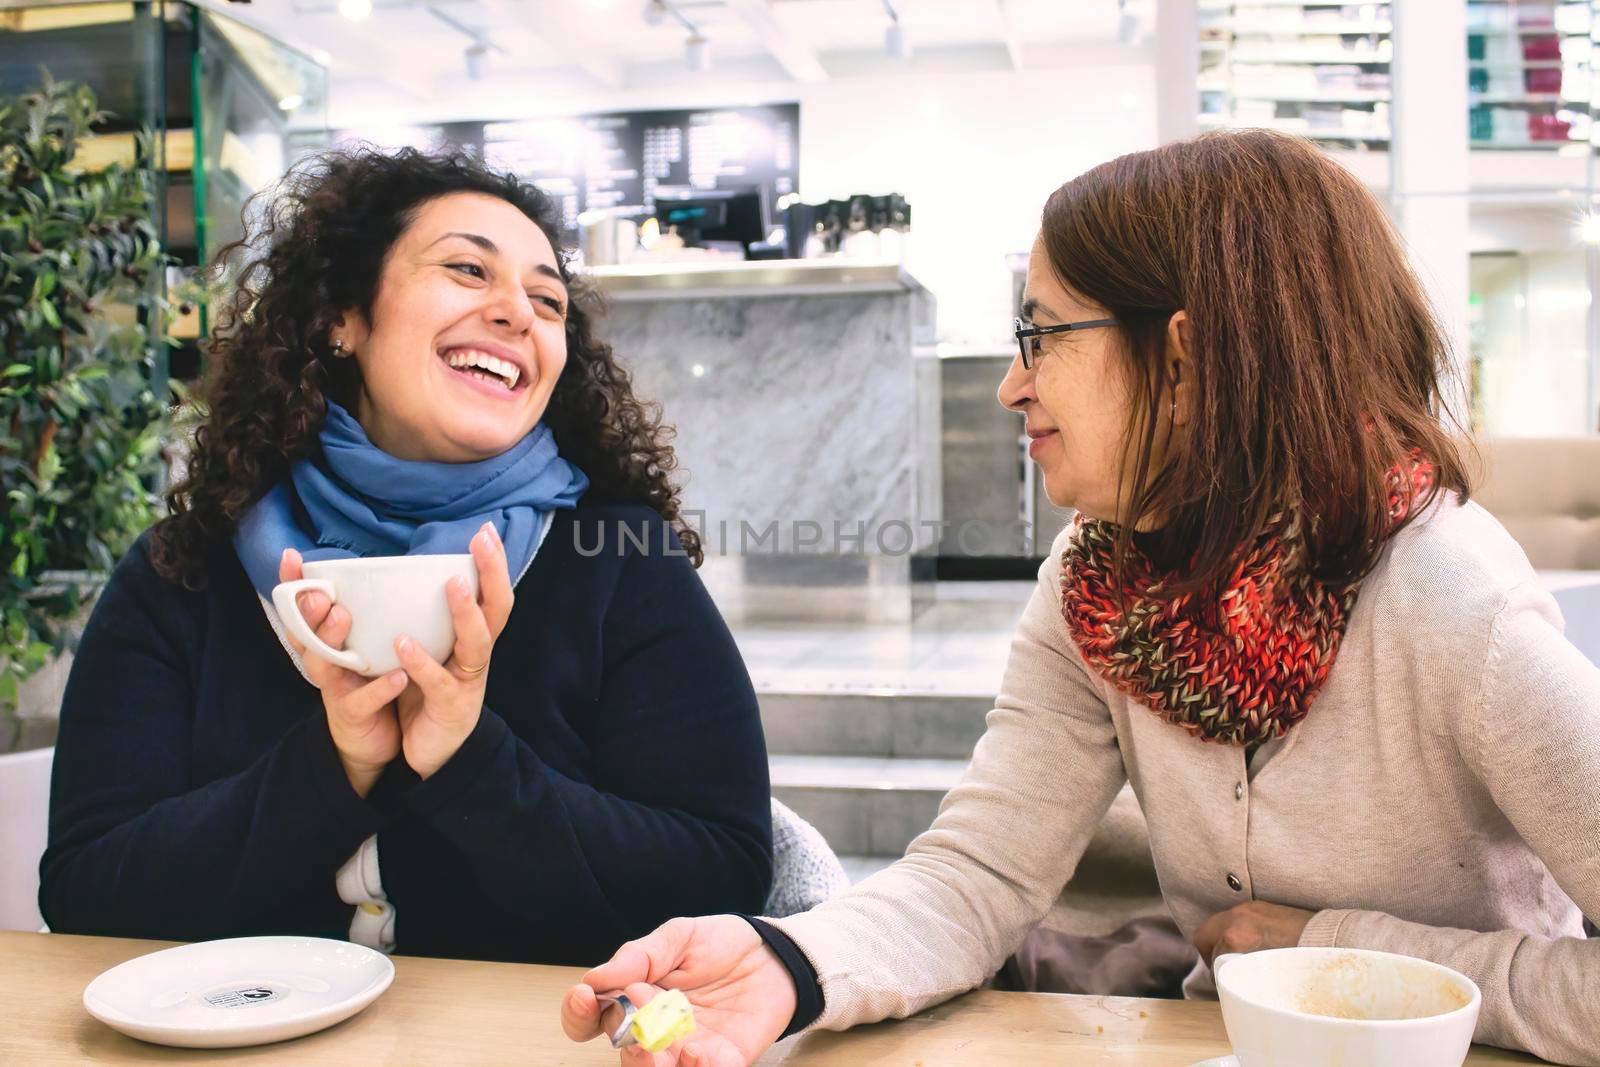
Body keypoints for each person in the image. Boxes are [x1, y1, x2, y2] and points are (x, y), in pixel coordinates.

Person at [561, 129, 1600, 1065]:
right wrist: (785, 963)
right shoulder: (1095, 582)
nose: (1013, 384)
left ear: (1187, 360)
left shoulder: (1454, 605)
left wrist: (1335, 951)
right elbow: (979, 873)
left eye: (1044, 332)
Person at [40, 148, 773, 964]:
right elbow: (86, 893)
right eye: (467, 269)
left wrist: (470, 760)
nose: (518, 314)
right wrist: (334, 763)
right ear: (340, 317)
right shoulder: (184, 569)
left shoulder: (620, 556)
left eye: (547, 299)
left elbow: (723, 879)